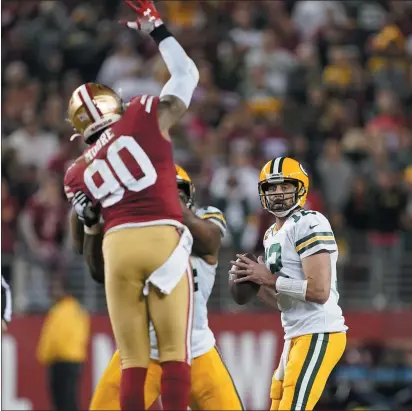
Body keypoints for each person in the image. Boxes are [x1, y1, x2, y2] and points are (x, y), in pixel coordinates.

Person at [63, 1, 199, 409]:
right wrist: (155, 28)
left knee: (133, 363)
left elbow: (89, 239)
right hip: (161, 236)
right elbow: (187, 73)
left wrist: (90, 226)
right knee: (175, 354)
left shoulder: (75, 172)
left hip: (117, 246)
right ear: (112, 103)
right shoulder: (141, 113)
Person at [76, 165, 243, 410]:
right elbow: (100, 273)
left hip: (197, 349)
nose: (166, 197)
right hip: (142, 352)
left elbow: (210, 243)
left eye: (176, 193)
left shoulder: (206, 217)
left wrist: (164, 204)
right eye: (158, 192)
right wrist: (91, 227)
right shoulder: (131, 229)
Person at [230, 156, 347, 410]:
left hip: (319, 331)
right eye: (272, 187)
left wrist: (268, 278)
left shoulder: (310, 221)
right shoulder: (271, 234)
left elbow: (319, 291)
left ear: (301, 188)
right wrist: (253, 282)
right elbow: (285, 302)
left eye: (285, 186)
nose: (278, 193)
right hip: (294, 333)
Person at [36, 278, 90, 411]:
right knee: (65, 399)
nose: (53, 292)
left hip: (63, 360)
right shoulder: (74, 309)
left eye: (56, 288)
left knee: (64, 400)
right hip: (69, 359)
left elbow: (55, 337)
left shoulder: (63, 310)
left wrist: (45, 355)